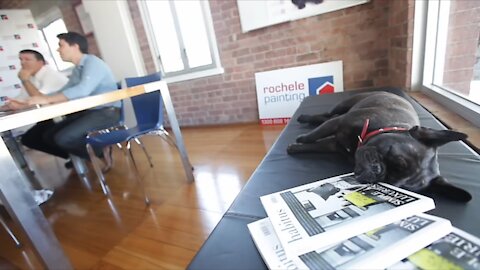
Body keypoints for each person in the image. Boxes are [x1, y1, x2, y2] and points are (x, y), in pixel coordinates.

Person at [5, 32, 121, 164]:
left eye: (61, 45)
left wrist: (45, 100)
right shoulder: (78, 69)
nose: (58, 49)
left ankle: (100, 153)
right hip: (91, 111)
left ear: (75, 46)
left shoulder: (93, 62)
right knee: (49, 136)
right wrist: (25, 103)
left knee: (62, 138)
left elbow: (83, 89)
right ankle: (90, 155)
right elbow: (62, 92)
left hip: (107, 111)